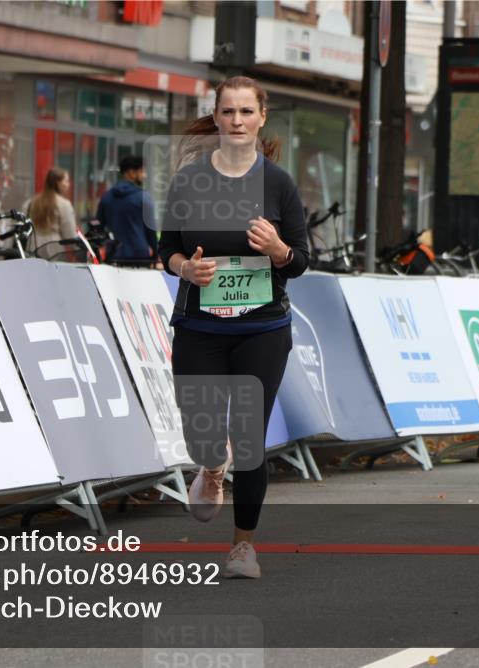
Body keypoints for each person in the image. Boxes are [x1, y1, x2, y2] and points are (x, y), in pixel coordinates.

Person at [158, 76, 308, 578]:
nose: (238, 121)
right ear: (217, 116)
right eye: (229, 112)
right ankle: (210, 464)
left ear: (262, 117)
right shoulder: (189, 181)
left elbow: (301, 261)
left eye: (247, 112)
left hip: (263, 329)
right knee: (202, 433)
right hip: (201, 326)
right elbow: (167, 250)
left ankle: (243, 547)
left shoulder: (279, 184)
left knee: (248, 437)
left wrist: (277, 250)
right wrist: (186, 269)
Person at [96, 155, 158, 263]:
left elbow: (98, 229)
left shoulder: (106, 197)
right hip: (140, 257)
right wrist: (157, 254)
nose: (145, 176)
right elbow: (151, 231)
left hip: (113, 255)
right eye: (142, 171)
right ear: (131, 172)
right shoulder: (143, 197)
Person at [26, 166, 77, 259]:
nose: (68, 184)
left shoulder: (33, 201)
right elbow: (69, 234)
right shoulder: (64, 204)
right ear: (58, 183)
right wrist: (78, 247)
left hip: (33, 244)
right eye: (66, 181)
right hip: (53, 249)